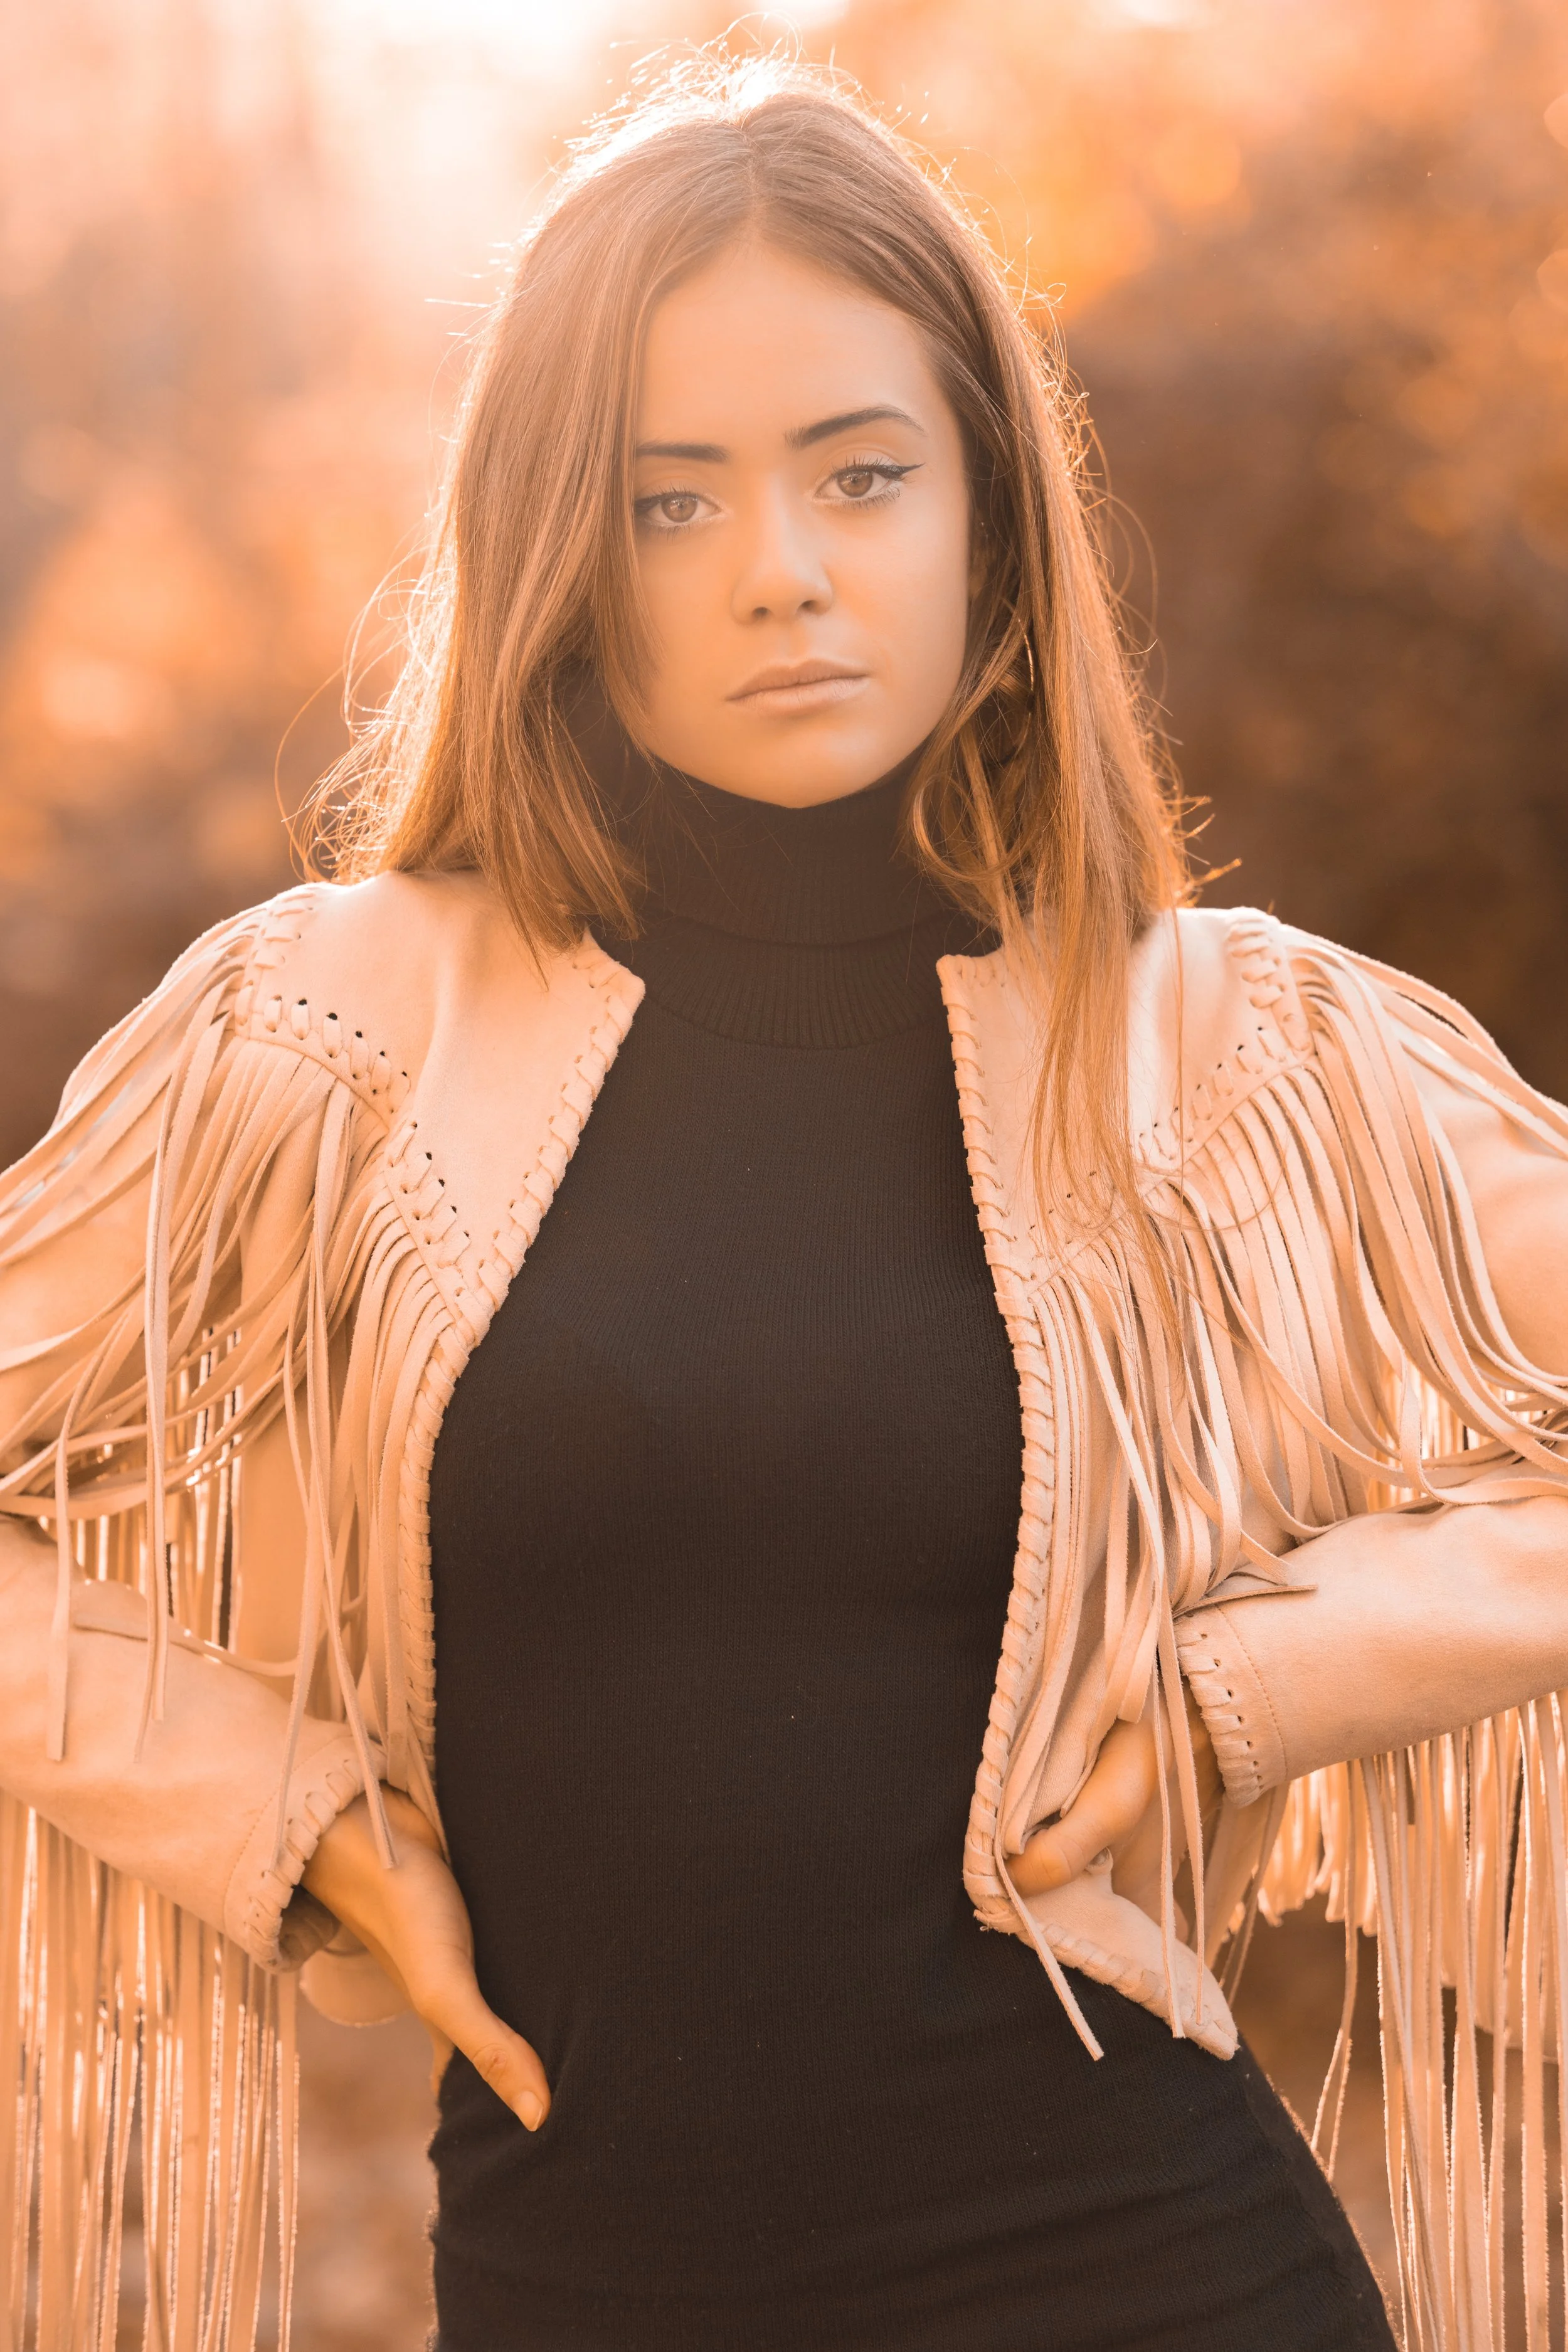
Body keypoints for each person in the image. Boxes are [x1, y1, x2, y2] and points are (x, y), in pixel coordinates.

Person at [3, 55, 1567, 2352]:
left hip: (1141, 2267)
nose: (784, 571)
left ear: (989, 530)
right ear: (560, 550)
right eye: (669, 501)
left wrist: (1248, 1687)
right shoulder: (328, 1037)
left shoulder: (1228, 1050)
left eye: (862, 473)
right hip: (583, 2285)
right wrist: (285, 1810)